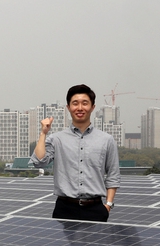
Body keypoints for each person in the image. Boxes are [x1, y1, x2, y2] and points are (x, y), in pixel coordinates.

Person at [30, 84, 120, 222]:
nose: (79, 108)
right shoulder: (56, 139)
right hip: (64, 208)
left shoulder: (106, 140)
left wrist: (108, 205)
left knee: (97, 244)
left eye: (85, 103)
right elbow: (39, 161)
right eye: (75, 103)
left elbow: (113, 175)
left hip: (95, 209)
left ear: (93, 107)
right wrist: (43, 133)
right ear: (68, 107)